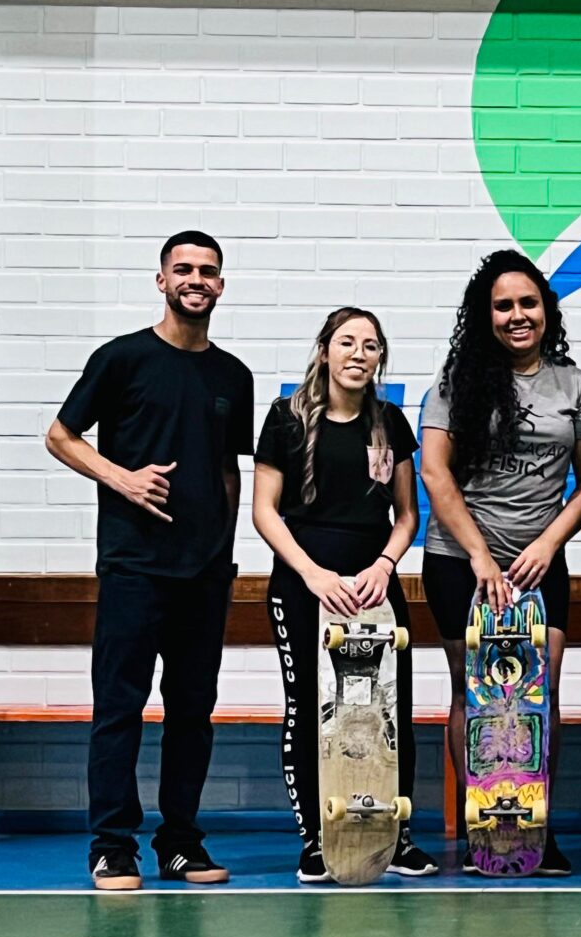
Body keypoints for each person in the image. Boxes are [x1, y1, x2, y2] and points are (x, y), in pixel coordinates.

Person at [46, 230, 254, 891]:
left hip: (204, 576)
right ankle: (112, 846)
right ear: (162, 280)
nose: (196, 279)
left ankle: (180, 843)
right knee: (119, 709)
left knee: (192, 714)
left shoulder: (233, 375)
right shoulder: (122, 358)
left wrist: (223, 552)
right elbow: (60, 436)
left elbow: (229, 471)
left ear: (221, 285)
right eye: (183, 269)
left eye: (208, 271)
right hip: (134, 568)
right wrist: (122, 478)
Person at [418, 250, 581, 876]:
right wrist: (480, 556)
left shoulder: (575, 385)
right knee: (471, 694)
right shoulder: (455, 382)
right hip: (459, 562)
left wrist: (548, 544)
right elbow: (434, 472)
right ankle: (483, 832)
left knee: (538, 695)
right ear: (485, 314)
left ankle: (532, 831)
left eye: (529, 303)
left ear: (547, 310)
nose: (517, 315)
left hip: (537, 566)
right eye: (503, 306)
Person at [253, 307, 428, 883]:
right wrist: (314, 575)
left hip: (374, 589)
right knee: (311, 709)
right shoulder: (286, 418)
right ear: (325, 350)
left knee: (389, 711)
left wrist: (384, 564)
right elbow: (264, 512)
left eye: (370, 345)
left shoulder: (390, 423)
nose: (358, 353)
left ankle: (394, 839)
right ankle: (316, 838)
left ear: (380, 358)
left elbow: (407, 516)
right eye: (347, 342)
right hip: (305, 587)